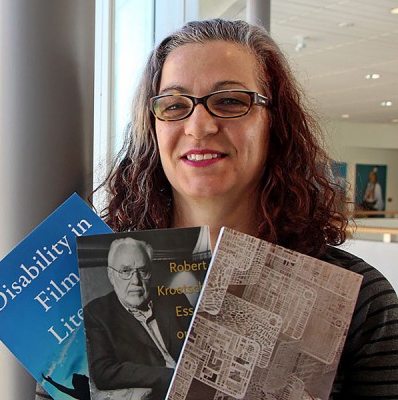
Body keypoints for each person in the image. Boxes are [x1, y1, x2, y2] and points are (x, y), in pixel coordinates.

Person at [94, 18, 398, 399]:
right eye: (174, 105)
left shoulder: (361, 300)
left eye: (230, 101)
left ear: (276, 123)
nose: (199, 126)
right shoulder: (90, 287)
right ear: (152, 128)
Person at [83, 237, 194, 400]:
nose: (136, 281)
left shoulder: (174, 298)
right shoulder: (97, 313)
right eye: (126, 271)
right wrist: (170, 376)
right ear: (111, 275)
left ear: (151, 273)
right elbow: (103, 372)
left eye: (143, 271)